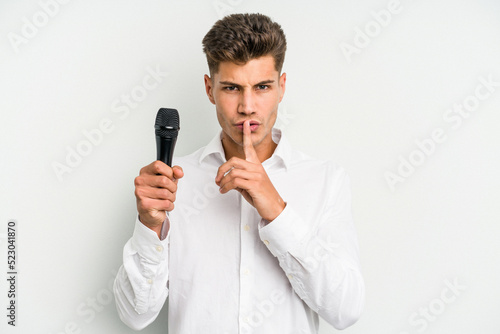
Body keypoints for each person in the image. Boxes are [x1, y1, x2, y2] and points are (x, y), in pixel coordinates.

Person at [113, 13, 364, 333]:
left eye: (262, 87)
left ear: (282, 87)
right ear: (209, 89)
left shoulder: (326, 181)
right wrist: (149, 227)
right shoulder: (174, 185)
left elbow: (346, 310)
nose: (247, 106)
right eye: (232, 87)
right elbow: (135, 315)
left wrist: (276, 209)